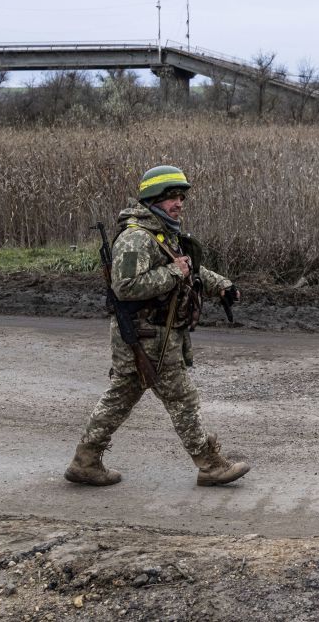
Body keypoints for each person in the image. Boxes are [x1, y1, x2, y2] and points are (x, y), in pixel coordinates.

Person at [64, 165, 250, 488]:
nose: (179, 203)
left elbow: (189, 269)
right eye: (172, 198)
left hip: (155, 337)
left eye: (181, 197)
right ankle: (210, 464)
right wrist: (175, 274)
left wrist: (221, 286)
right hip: (146, 337)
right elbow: (126, 287)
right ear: (153, 199)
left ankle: (85, 460)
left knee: (120, 397)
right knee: (182, 398)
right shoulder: (137, 238)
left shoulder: (163, 233)